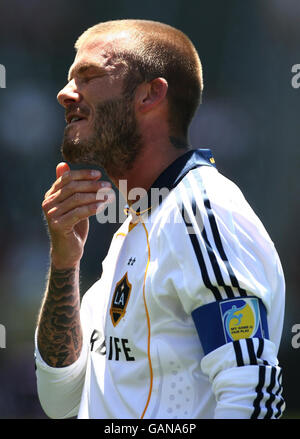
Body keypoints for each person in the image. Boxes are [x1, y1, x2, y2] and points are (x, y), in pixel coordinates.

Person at [35, 19, 286, 419]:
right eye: (69, 79)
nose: (66, 94)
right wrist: (65, 263)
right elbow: (59, 400)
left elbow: (253, 397)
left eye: (89, 76)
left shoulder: (201, 213)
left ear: (151, 94)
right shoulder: (134, 225)